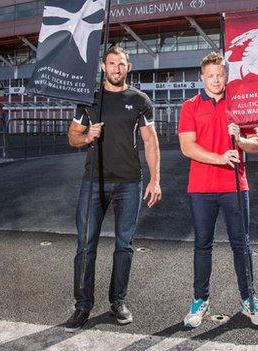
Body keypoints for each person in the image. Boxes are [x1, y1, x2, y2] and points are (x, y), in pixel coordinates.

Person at [64, 45, 162, 331]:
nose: (116, 68)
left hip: (130, 183)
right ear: (103, 67)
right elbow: (72, 137)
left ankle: (118, 301)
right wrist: (87, 136)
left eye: (121, 64)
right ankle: (82, 306)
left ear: (128, 67)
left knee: (124, 246)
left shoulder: (140, 100)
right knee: (85, 246)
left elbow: (150, 141)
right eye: (111, 63)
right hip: (94, 182)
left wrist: (155, 179)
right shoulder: (90, 99)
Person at [178, 52, 258, 328]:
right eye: (211, 75)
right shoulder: (190, 106)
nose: (216, 80)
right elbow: (187, 147)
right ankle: (200, 300)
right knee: (202, 245)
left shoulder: (240, 104)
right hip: (202, 188)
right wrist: (219, 157)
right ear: (202, 77)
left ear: (227, 76)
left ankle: (249, 299)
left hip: (235, 186)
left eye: (220, 75)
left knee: (241, 245)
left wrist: (239, 138)